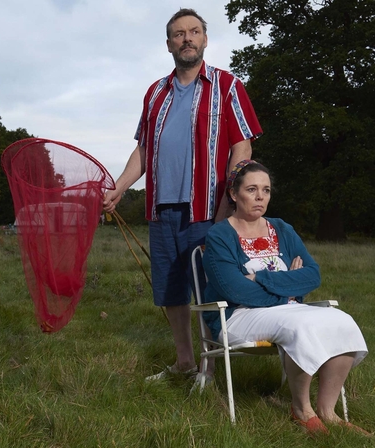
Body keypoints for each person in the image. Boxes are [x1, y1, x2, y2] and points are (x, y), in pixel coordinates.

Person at [103, 8, 263, 381]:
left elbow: (243, 148)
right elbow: (143, 151)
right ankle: (185, 362)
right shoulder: (155, 92)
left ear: (205, 39)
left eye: (194, 32)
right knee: (171, 292)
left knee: (210, 292)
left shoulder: (227, 86)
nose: (186, 39)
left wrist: (230, 207)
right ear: (169, 44)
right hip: (162, 211)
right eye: (178, 34)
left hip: (209, 209)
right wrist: (118, 188)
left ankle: (209, 369)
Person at [202, 160, 369, 435]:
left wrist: (261, 278)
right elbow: (235, 291)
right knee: (299, 326)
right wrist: (289, 288)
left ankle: (328, 411)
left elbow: (312, 275)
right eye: (252, 189)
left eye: (266, 190)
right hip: (237, 315)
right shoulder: (220, 235)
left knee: (343, 320)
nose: (260, 197)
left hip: (286, 308)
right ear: (234, 194)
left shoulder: (282, 229)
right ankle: (301, 409)